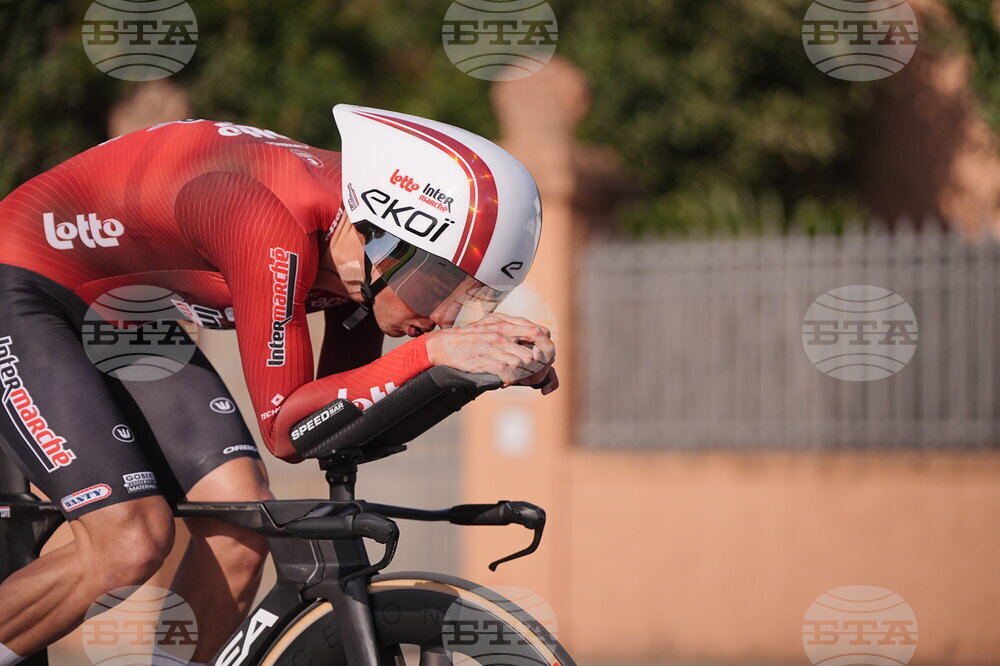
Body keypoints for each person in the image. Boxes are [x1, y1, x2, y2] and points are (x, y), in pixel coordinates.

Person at [0, 104, 557, 664]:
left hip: (122, 317)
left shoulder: (356, 260)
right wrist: (433, 354)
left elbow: (340, 421)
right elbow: (287, 429)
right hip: (22, 282)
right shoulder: (270, 224)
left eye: (466, 299)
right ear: (380, 238)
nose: (442, 314)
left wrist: (465, 375)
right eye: (439, 285)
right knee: (129, 541)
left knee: (241, 528)